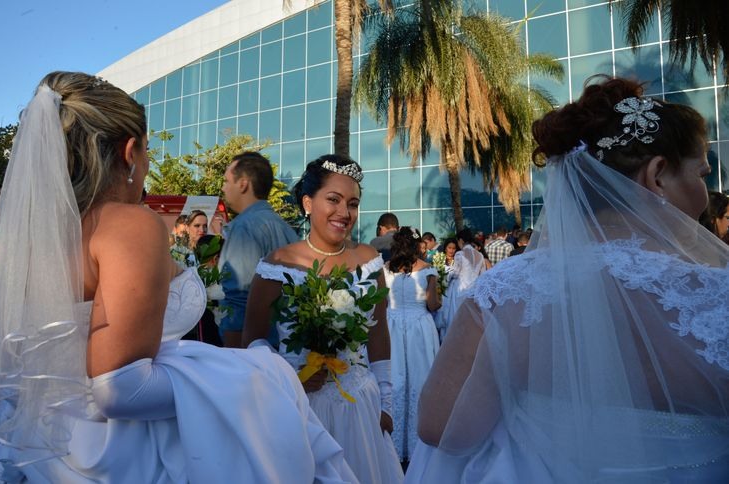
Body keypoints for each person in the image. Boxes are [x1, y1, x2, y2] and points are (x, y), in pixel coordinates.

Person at [0, 72, 356, 483]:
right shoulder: (129, 224)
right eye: (148, 151)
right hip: (130, 448)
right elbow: (120, 389)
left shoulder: (38, 234)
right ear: (129, 151)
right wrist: (254, 375)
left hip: (46, 441)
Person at [406, 76, 729, 482]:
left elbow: (442, 430)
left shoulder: (504, 291)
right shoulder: (720, 295)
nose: (705, 192)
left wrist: (508, 357)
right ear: (658, 174)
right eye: (701, 173)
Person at [243, 155, 404, 484]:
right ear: (307, 202)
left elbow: (378, 333)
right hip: (302, 407)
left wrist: (385, 401)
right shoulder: (277, 264)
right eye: (333, 200)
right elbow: (253, 341)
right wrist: (290, 380)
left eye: (353, 203)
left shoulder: (369, 260)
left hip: (359, 406)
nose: (344, 213)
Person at [218, 151, 298, 348]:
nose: (223, 188)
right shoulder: (285, 228)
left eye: (227, 181)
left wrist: (234, 356)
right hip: (285, 349)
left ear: (243, 184)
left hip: (253, 353)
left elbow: (239, 298)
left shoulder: (243, 227)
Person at [383, 227, 441, 464]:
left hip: (393, 325)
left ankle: (393, 445)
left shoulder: (386, 270)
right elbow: (434, 304)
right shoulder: (427, 270)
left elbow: (383, 301)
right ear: (417, 245)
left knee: (395, 381)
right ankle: (419, 448)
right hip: (419, 327)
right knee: (420, 380)